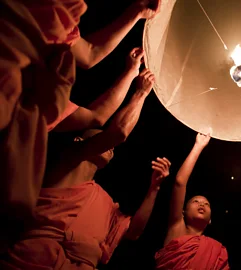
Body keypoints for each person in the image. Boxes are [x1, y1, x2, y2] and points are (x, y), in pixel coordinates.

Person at [0, 0, 161, 219]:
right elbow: (115, 131)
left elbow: (97, 112)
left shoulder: (39, 110)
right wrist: (139, 92)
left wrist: (132, 71)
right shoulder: (68, 152)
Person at [0, 69, 168, 269]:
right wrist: (140, 93)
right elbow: (118, 133)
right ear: (79, 140)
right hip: (34, 260)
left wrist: (154, 188)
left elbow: (133, 231)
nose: (110, 147)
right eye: (99, 138)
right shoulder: (66, 162)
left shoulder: (103, 201)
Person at [154, 133, 229, 270]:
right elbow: (180, 183)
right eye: (196, 201)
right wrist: (198, 145)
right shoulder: (176, 228)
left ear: (210, 220)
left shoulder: (216, 251)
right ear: (183, 212)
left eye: (207, 204)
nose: (202, 204)